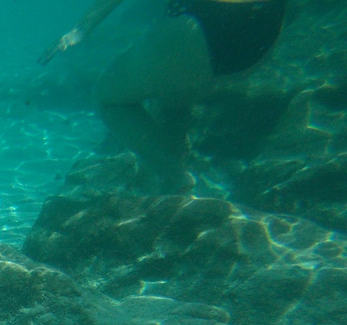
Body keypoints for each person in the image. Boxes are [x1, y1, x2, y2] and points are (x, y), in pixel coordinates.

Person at [39, 0, 288, 189]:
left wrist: (79, 31)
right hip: (263, 40)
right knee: (171, 100)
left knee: (107, 99)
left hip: (204, 28)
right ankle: (170, 197)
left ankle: (178, 179)